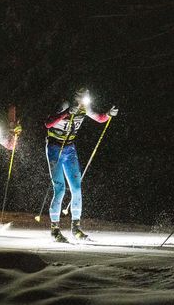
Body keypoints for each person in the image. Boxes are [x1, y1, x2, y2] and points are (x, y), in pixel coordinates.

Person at [45, 88, 118, 242]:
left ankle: (76, 227)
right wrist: (66, 113)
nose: (84, 102)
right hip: (55, 147)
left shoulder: (84, 108)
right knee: (59, 189)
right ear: (76, 97)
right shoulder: (65, 104)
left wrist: (108, 115)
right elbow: (48, 124)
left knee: (77, 188)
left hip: (70, 148)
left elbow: (99, 118)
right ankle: (55, 229)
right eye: (82, 98)